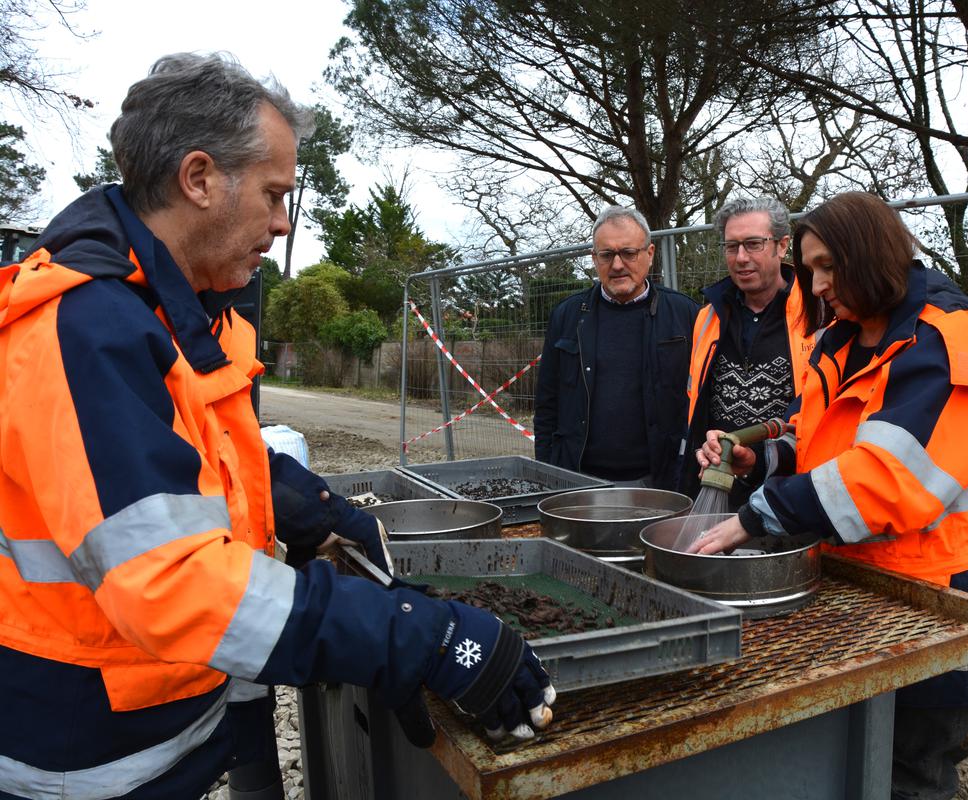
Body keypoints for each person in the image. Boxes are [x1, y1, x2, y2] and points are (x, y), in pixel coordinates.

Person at [0, 53, 553, 800]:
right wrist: (415, 638)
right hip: (89, 760)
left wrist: (311, 508)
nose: (284, 221)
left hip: (162, 733)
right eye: (273, 194)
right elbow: (171, 582)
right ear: (197, 179)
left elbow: (193, 458)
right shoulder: (88, 326)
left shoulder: (179, 309)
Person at [692, 192, 968, 800]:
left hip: (931, 605)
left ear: (869, 255)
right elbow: (814, 438)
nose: (814, 286)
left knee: (908, 776)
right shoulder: (841, 338)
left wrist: (760, 514)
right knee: (841, 767)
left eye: (826, 267)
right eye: (810, 268)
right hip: (852, 592)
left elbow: (891, 478)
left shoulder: (947, 340)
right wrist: (759, 458)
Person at [534, 205, 698, 489]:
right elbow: (547, 405)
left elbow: (702, 401)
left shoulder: (685, 314)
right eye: (607, 255)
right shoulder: (568, 316)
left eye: (628, 253)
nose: (618, 265)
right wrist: (548, 475)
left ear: (650, 254)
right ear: (594, 258)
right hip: (578, 481)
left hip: (660, 481)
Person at [680, 197, 817, 507]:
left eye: (753, 244)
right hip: (719, 476)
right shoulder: (708, 316)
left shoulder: (817, 312)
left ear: (782, 245)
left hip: (791, 483)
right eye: (731, 246)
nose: (741, 257)